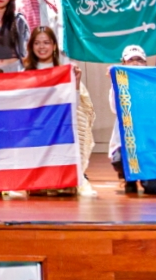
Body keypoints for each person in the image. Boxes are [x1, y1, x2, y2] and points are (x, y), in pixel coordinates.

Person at [24, 25, 96, 196]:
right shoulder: (26, 73)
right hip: (36, 129)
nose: (42, 47)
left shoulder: (65, 71)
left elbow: (73, 106)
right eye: (37, 43)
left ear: (54, 45)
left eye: (46, 42)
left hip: (59, 128)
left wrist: (76, 83)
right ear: (31, 46)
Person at [109, 45, 156, 195]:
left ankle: (147, 177)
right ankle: (128, 179)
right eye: (131, 60)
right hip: (126, 142)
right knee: (119, 158)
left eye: (139, 60)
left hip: (150, 143)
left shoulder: (154, 84)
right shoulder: (117, 85)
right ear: (123, 63)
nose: (135, 63)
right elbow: (115, 108)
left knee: (155, 188)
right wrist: (114, 83)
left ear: (146, 64)